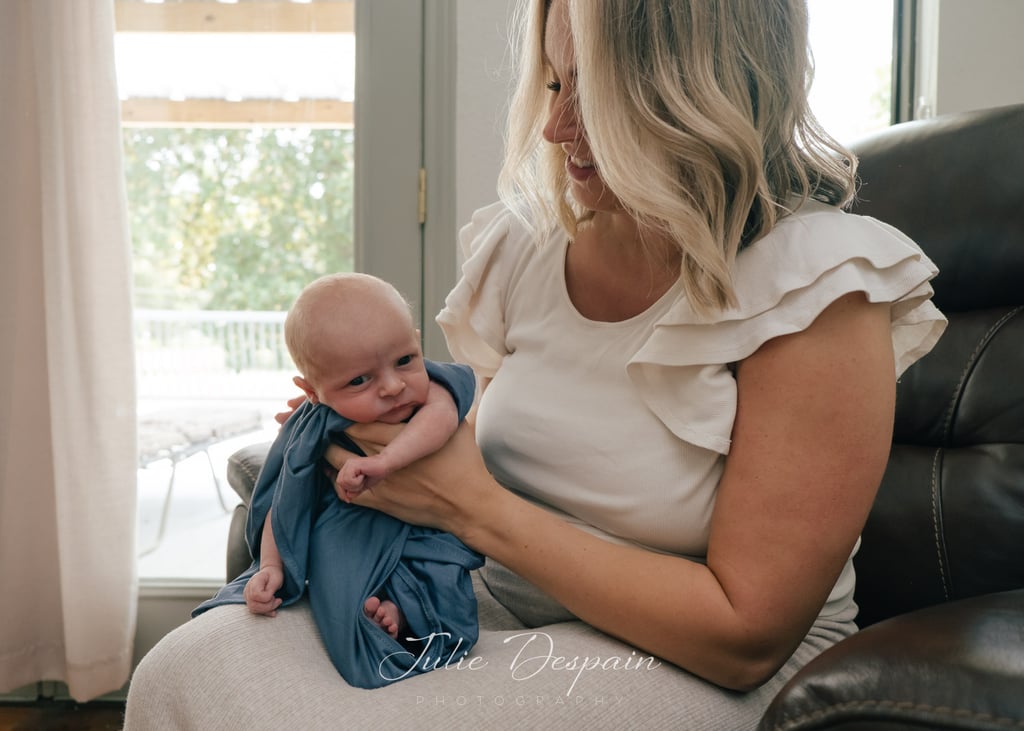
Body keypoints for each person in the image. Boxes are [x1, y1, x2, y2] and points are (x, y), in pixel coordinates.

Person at [125, 1, 946, 727]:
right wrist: (370, 433)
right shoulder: (528, 247)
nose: (554, 127)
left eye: (597, 95)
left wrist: (474, 509)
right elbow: (471, 452)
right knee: (189, 668)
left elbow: (743, 635)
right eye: (556, 84)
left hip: (698, 660)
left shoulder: (819, 287)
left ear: (698, 95)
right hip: (497, 603)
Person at [190, 272, 483, 689]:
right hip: (350, 540)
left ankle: (408, 614)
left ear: (417, 343)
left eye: (405, 359)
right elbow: (287, 504)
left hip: (424, 532)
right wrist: (271, 565)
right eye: (359, 380)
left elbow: (441, 418)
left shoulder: (434, 392)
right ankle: (382, 614)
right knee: (340, 581)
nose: (394, 386)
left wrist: (386, 460)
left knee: (437, 572)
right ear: (312, 391)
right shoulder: (314, 427)